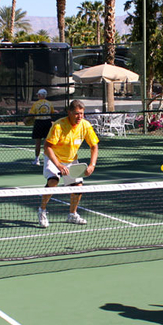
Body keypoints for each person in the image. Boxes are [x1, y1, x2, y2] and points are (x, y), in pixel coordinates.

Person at [38, 100, 99, 228]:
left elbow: (94, 146)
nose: (80, 117)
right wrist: (59, 165)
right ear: (69, 112)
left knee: (78, 187)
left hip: (71, 160)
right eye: (77, 114)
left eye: (82, 113)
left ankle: (72, 214)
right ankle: (42, 210)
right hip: (53, 158)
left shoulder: (85, 126)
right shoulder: (59, 126)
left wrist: (92, 165)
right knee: (53, 181)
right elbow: (47, 147)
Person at [28, 89, 55, 166]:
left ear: (40, 95)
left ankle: (37, 160)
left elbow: (32, 114)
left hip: (39, 122)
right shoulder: (49, 103)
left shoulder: (36, 104)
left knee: (38, 142)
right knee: (48, 143)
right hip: (47, 123)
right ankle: (48, 159)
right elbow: (52, 113)